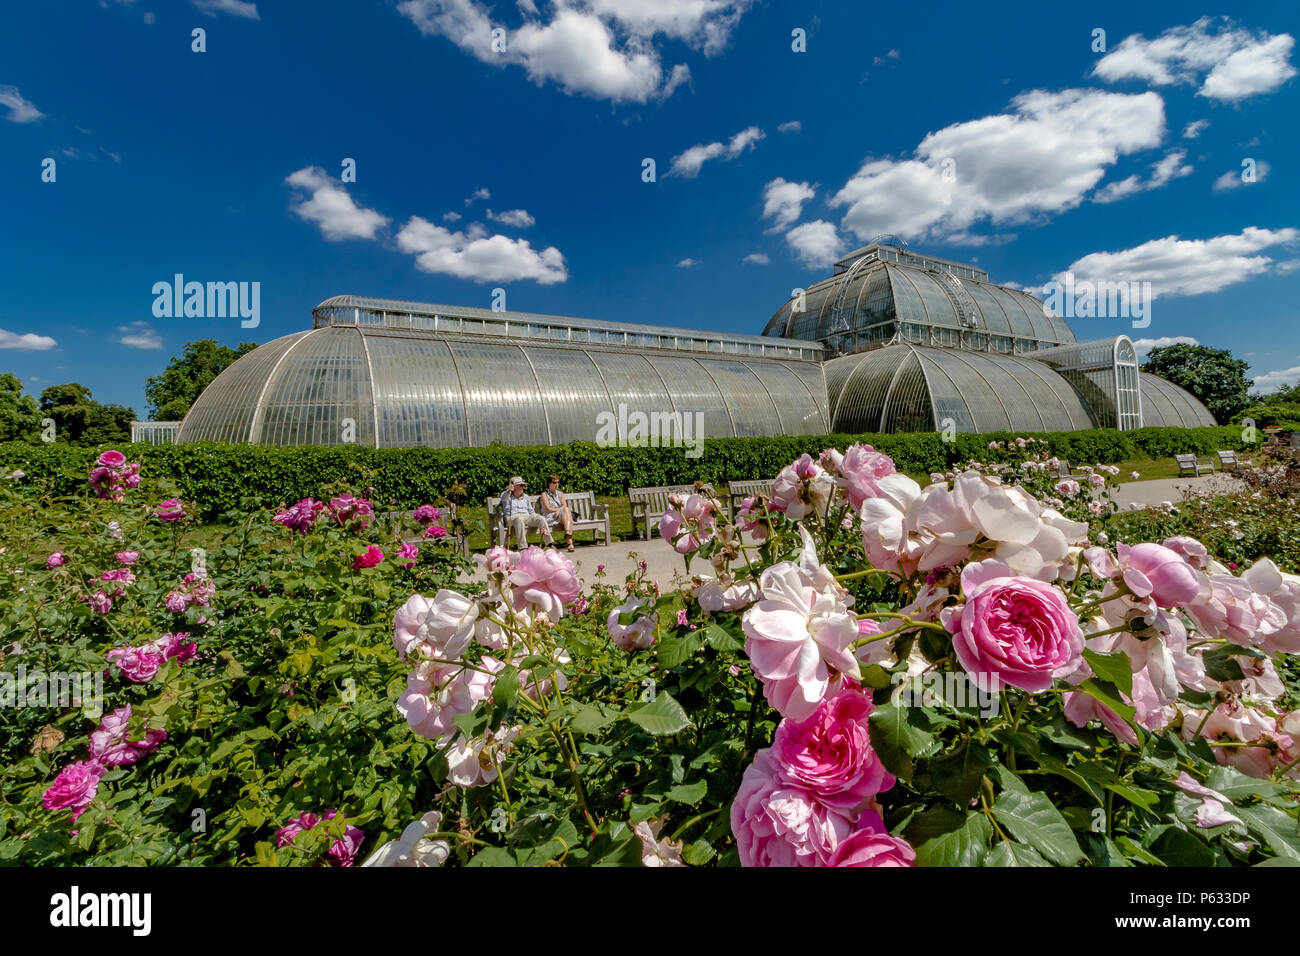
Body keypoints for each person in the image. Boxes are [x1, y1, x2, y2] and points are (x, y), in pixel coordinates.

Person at [499, 477, 554, 549]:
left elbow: (531, 510)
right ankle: (523, 547)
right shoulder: (507, 495)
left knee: (541, 519)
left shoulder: (526, 497)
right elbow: (503, 499)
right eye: (521, 485)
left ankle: (549, 543)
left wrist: (536, 516)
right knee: (519, 519)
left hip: (526, 516)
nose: (523, 487)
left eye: (523, 485)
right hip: (512, 517)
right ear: (514, 487)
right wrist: (509, 491)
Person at [538, 474, 575, 551]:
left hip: (560, 515)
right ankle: (570, 542)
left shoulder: (560, 494)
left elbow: (564, 505)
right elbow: (548, 509)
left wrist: (558, 511)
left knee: (566, 510)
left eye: (558, 482)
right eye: (554, 482)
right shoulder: (544, 495)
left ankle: (568, 537)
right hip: (550, 517)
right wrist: (559, 510)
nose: (556, 484)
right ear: (549, 483)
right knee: (568, 515)